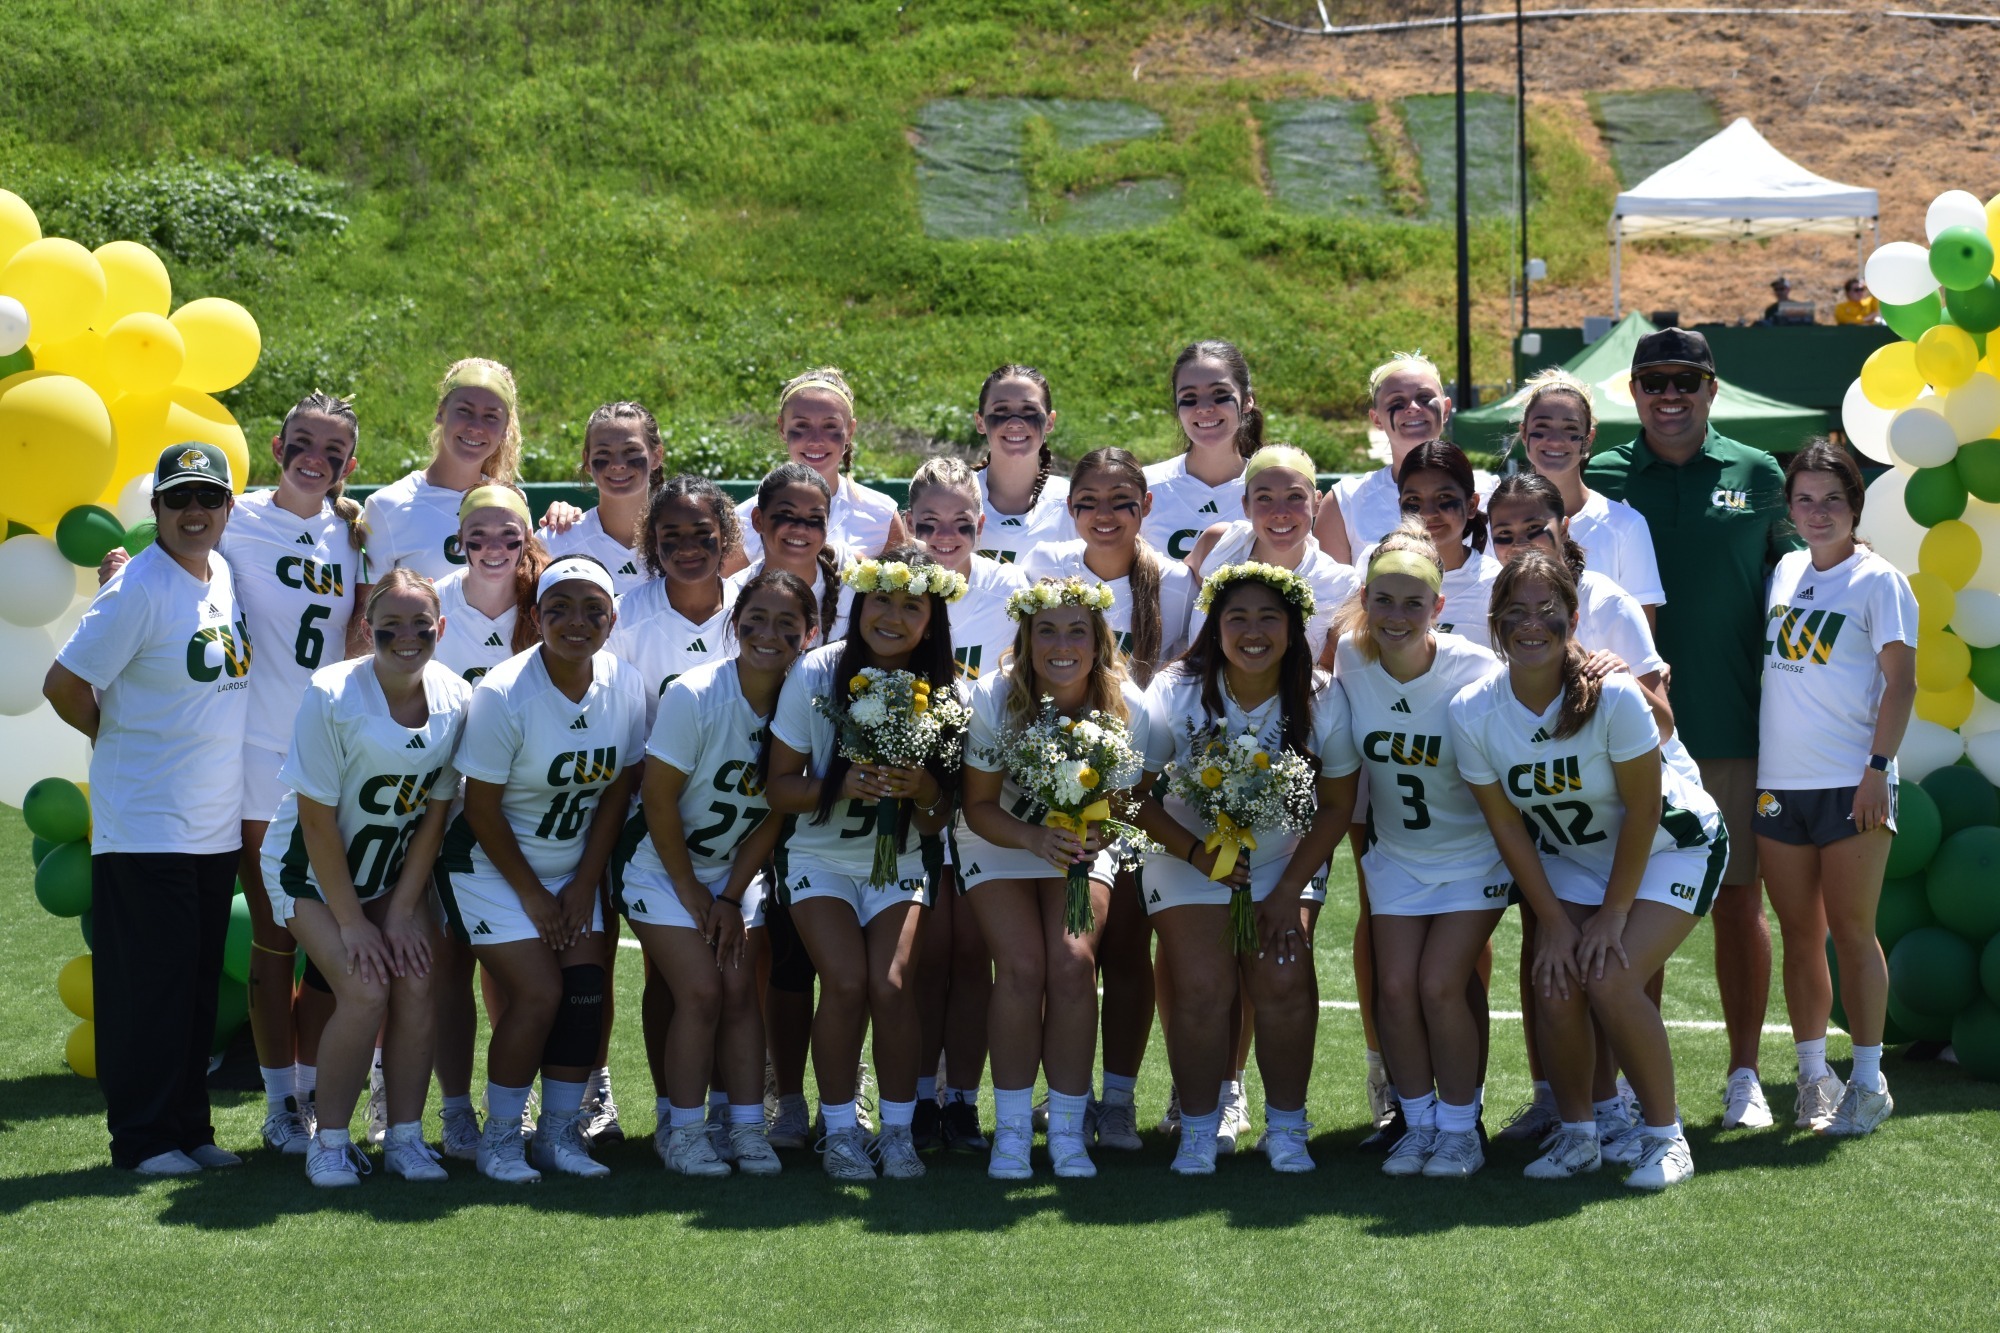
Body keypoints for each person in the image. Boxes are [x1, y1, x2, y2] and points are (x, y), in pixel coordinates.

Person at [1452, 550, 1726, 1190]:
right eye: (1515, 611)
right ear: (1495, 624)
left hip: (1670, 847)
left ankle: (1666, 1136)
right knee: (1554, 980)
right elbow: (1508, 826)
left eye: (1547, 611)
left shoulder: (1615, 697)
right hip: (1575, 859)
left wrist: (1612, 915)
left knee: (1610, 978)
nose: (1531, 624)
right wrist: (1552, 920)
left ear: (1573, 619)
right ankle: (1581, 1134)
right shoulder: (1473, 710)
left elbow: (1642, 809)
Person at [1586, 326, 1795, 1130]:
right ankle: (1638, 1083)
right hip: (1617, 736)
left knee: (1741, 905)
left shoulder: (1758, 472)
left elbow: (1796, 574)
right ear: (1632, 393)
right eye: (1653, 382)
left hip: (1733, 723)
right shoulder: (1600, 475)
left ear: (1712, 390)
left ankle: (1744, 1074)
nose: (1669, 396)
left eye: (1686, 381)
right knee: (1637, 907)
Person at [44, 441, 252, 1175]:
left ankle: (188, 1128)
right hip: (146, 826)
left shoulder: (222, 572)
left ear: (228, 506)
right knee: (149, 993)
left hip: (211, 825)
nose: (194, 512)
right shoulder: (136, 589)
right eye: (178, 499)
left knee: (193, 990)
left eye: (207, 498)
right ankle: (142, 1139)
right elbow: (64, 683)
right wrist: (114, 735)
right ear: (158, 509)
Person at [1134, 563, 1358, 1175]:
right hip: (1188, 857)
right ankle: (1200, 1129)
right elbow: (1137, 795)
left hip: (1285, 860)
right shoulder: (1175, 689)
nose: (1253, 631)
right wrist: (1197, 854)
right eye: (1237, 617)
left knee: (1283, 976)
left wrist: (1289, 890)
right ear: (1215, 625)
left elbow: (1337, 805)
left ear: (1293, 627)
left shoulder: (1322, 695)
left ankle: (1288, 1129)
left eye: (1269, 618)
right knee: (1204, 986)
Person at [435, 556, 648, 1182]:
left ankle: (559, 1137)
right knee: (538, 993)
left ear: (613, 618)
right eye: (559, 609)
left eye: (592, 610)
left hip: (573, 866)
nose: (576, 622)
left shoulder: (625, 683)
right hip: (490, 866)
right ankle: (501, 1138)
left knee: (583, 995)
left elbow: (617, 789)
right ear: (536, 617)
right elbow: (481, 808)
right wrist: (532, 894)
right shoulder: (503, 692)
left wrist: (583, 883)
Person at [262, 570, 471, 1186]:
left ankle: (405, 1137)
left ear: (442, 628)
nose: (407, 638)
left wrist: (404, 911)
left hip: (388, 875)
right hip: (307, 873)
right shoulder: (332, 693)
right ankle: (328, 1141)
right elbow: (317, 822)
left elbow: (434, 817)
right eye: (390, 627)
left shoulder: (456, 697)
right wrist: (353, 924)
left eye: (421, 625)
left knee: (417, 979)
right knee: (365, 989)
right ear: (365, 630)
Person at [1484, 472, 1674, 1146]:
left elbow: (1668, 724)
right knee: (1549, 949)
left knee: (1618, 959)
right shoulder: (1498, 600)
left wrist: (1609, 670)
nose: (1516, 544)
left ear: (1564, 527)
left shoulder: (1606, 600)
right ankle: (1563, 1104)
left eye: (1533, 528)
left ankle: (1626, 1105)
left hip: (1628, 810)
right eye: (1501, 534)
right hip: (1552, 810)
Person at [765, 548, 965, 1180]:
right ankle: (843, 1130)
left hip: (900, 860)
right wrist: (842, 784)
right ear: (858, 604)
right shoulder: (816, 672)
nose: (893, 616)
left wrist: (925, 791)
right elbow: (777, 788)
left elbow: (938, 822)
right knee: (847, 982)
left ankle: (899, 1133)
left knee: (891, 983)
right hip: (819, 856)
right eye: (882, 599)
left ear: (931, 619)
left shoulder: (948, 689)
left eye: (912, 605)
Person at [1019, 445, 1195, 1146]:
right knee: (1067, 951)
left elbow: (1181, 684)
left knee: (1126, 949)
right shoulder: (1043, 567)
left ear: (1146, 507)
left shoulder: (1177, 583)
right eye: (1089, 501)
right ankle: (1065, 1093)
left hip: (1142, 787)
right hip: (1057, 788)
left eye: (1123, 501)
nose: (1105, 515)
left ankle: (1117, 1100)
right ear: (1070, 506)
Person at [620, 569, 821, 1176]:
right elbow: (657, 800)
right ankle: (680, 1131)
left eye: (789, 622)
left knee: (740, 994)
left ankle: (742, 1127)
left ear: (809, 634)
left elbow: (777, 812)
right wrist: (692, 893)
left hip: (735, 873)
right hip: (660, 865)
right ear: (735, 625)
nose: (770, 633)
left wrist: (730, 897)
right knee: (702, 991)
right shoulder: (696, 692)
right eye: (756, 618)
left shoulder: (806, 704)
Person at [959, 576, 1149, 1179]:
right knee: (1020, 966)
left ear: (1099, 642)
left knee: (1072, 964)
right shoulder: (992, 697)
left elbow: (1130, 801)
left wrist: (1099, 832)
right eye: (1046, 630)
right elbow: (980, 808)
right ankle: (1012, 1133)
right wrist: (1036, 837)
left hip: (1077, 844)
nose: (1061, 644)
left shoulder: (1127, 704)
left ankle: (1068, 1130)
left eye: (1077, 631)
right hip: (1002, 837)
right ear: (1025, 637)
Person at [1331, 524, 1504, 1180]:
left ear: (1438, 607)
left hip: (1472, 856)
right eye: (1384, 598)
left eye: (1413, 602)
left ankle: (1462, 1129)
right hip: (1397, 855)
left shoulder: (1477, 669)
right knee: (1395, 988)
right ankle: (1420, 1121)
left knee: (1439, 983)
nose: (1396, 615)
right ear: (1366, 598)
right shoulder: (1350, 655)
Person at [1757, 442, 1916, 1136]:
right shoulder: (1787, 569)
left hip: (1853, 784)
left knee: (1853, 933)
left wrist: (1877, 769)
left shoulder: (1879, 580)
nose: (1817, 512)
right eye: (1804, 499)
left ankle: (1870, 1078)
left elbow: (1902, 682)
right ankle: (1814, 1075)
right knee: (1800, 935)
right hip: (1777, 786)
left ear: (1854, 505)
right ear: (1789, 508)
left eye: (1832, 500)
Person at [225, 394, 369, 1153]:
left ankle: (319, 1091)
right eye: (303, 441)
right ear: (276, 443)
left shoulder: (354, 533)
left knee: (331, 942)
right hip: (257, 757)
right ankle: (279, 1101)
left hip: (332, 760)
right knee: (278, 935)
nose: (316, 457)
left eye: (334, 448)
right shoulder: (235, 516)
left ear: (351, 463)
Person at [906, 456, 1031, 1150]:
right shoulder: (894, 584)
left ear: (983, 525)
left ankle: (964, 1100)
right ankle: (919, 1095)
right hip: (917, 788)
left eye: (959, 522)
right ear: (907, 525)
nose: (943, 536)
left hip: (991, 786)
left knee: (973, 952)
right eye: (927, 523)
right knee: (928, 949)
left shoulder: (1012, 587)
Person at [427, 485, 549, 1161]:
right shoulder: (434, 602)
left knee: (514, 966)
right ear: (459, 538)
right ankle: (452, 1108)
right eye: (479, 536)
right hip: (443, 807)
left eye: (508, 536)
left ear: (527, 539)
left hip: (522, 812)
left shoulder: (544, 603)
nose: (493, 549)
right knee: (449, 965)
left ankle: (515, 1096)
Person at [1513, 368, 1666, 627]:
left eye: (1570, 428)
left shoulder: (1626, 525)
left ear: (1588, 439)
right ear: (1524, 433)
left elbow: (1642, 639)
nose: (1555, 440)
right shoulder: (1493, 519)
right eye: (1542, 427)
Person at [360, 357, 523, 590]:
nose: (475, 426)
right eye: (464, 411)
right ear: (440, 413)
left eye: (491, 416)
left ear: (505, 429)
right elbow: (366, 617)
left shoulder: (512, 503)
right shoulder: (387, 506)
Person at [1187, 443, 1358, 662]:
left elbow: (1333, 669)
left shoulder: (1340, 584)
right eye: (1264, 498)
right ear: (1246, 505)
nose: (1280, 513)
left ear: (1316, 503)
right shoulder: (1218, 543)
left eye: (1294, 497)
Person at [728, 367, 907, 570]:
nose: (815, 440)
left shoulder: (882, 515)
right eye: (802, 426)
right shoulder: (743, 520)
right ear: (782, 429)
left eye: (830, 426)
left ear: (850, 431)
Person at [1317, 351, 1453, 565]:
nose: (1413, 408)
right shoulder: (1345, 502)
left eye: (1425, 397)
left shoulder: (1487, 493)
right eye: (1397, 401)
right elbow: (1330, 595)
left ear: (1446, 409)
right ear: (1376, 418)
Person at [1144, 340, 1261, 561]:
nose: (1205, 408)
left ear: (1247, 400)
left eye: (1219, 393)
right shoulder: (1146, 487)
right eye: (1189, 397)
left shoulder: (1274, 489)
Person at [540, 401, 665, 596]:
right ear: (587, 461)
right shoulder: (554, 542)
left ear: (656, 456)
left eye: (631, 450)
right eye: (603, 452)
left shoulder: (683, 541)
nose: (617, 464)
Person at [730, 463, 848, 643]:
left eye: (815, 518)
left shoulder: (852, 583)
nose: (801, 528)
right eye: (787, 513)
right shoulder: (732, 595)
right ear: (758, 520)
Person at [970, 364, 1072, 564]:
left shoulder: (1072, 503)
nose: (1015, 422)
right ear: (980, 422)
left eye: (1029, 410)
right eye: (1001, 410)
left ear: (1050, 421)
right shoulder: (952, 495)